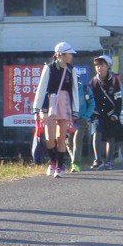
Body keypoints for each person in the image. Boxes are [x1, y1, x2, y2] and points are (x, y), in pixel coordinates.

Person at [32, 43, 80, 178]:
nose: (71, 56)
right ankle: (52, 161)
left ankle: (60, 165)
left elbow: (74, 91)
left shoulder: (71, 70)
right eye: (69, 54)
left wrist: (75, 110)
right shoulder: (49, 68)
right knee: (50, 138)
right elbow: (41, 89)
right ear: (61, 55)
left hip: (65, 104)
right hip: (50, 104)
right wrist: (36, 109)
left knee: (61, 137)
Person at [89, 54, 123, 170]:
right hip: (97, 113)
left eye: (102, 65)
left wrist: (116, 114)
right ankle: (97, 159)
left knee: (110, 136)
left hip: (110, 113)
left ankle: (109, 161)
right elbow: (90, 98)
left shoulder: (114, 81)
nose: (99, 68)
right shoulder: (93, 81)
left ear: (108, 66)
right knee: (96, 133)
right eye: (97, 65)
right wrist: (90, 114)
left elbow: (118, 99)